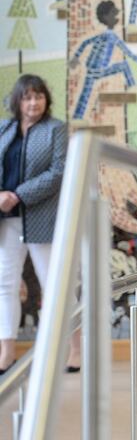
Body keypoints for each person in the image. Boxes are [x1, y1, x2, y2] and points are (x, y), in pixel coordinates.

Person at [0, 75, 80, 374]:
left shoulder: (55, 129)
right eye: (27, 97)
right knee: (4, 285)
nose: (33, 103)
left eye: (39, 97)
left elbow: (59, 171)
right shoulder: (4, 129)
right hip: (6, 221)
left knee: (56, 285)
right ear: (17, 101)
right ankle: (6, 352)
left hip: (41, 217)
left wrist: (17, 195)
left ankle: (75, 350)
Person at [70, 1, 137, 120]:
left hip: (90, 70)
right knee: (124, 65)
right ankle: (132, 86)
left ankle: (78, 117)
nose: (117, 17)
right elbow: (127, 52)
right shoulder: (111, 36)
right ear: (106, 17)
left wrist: (75, 59)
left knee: (85, 95)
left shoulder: (103, 35)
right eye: (114, 14)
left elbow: (84, 43)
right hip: (99, 70)